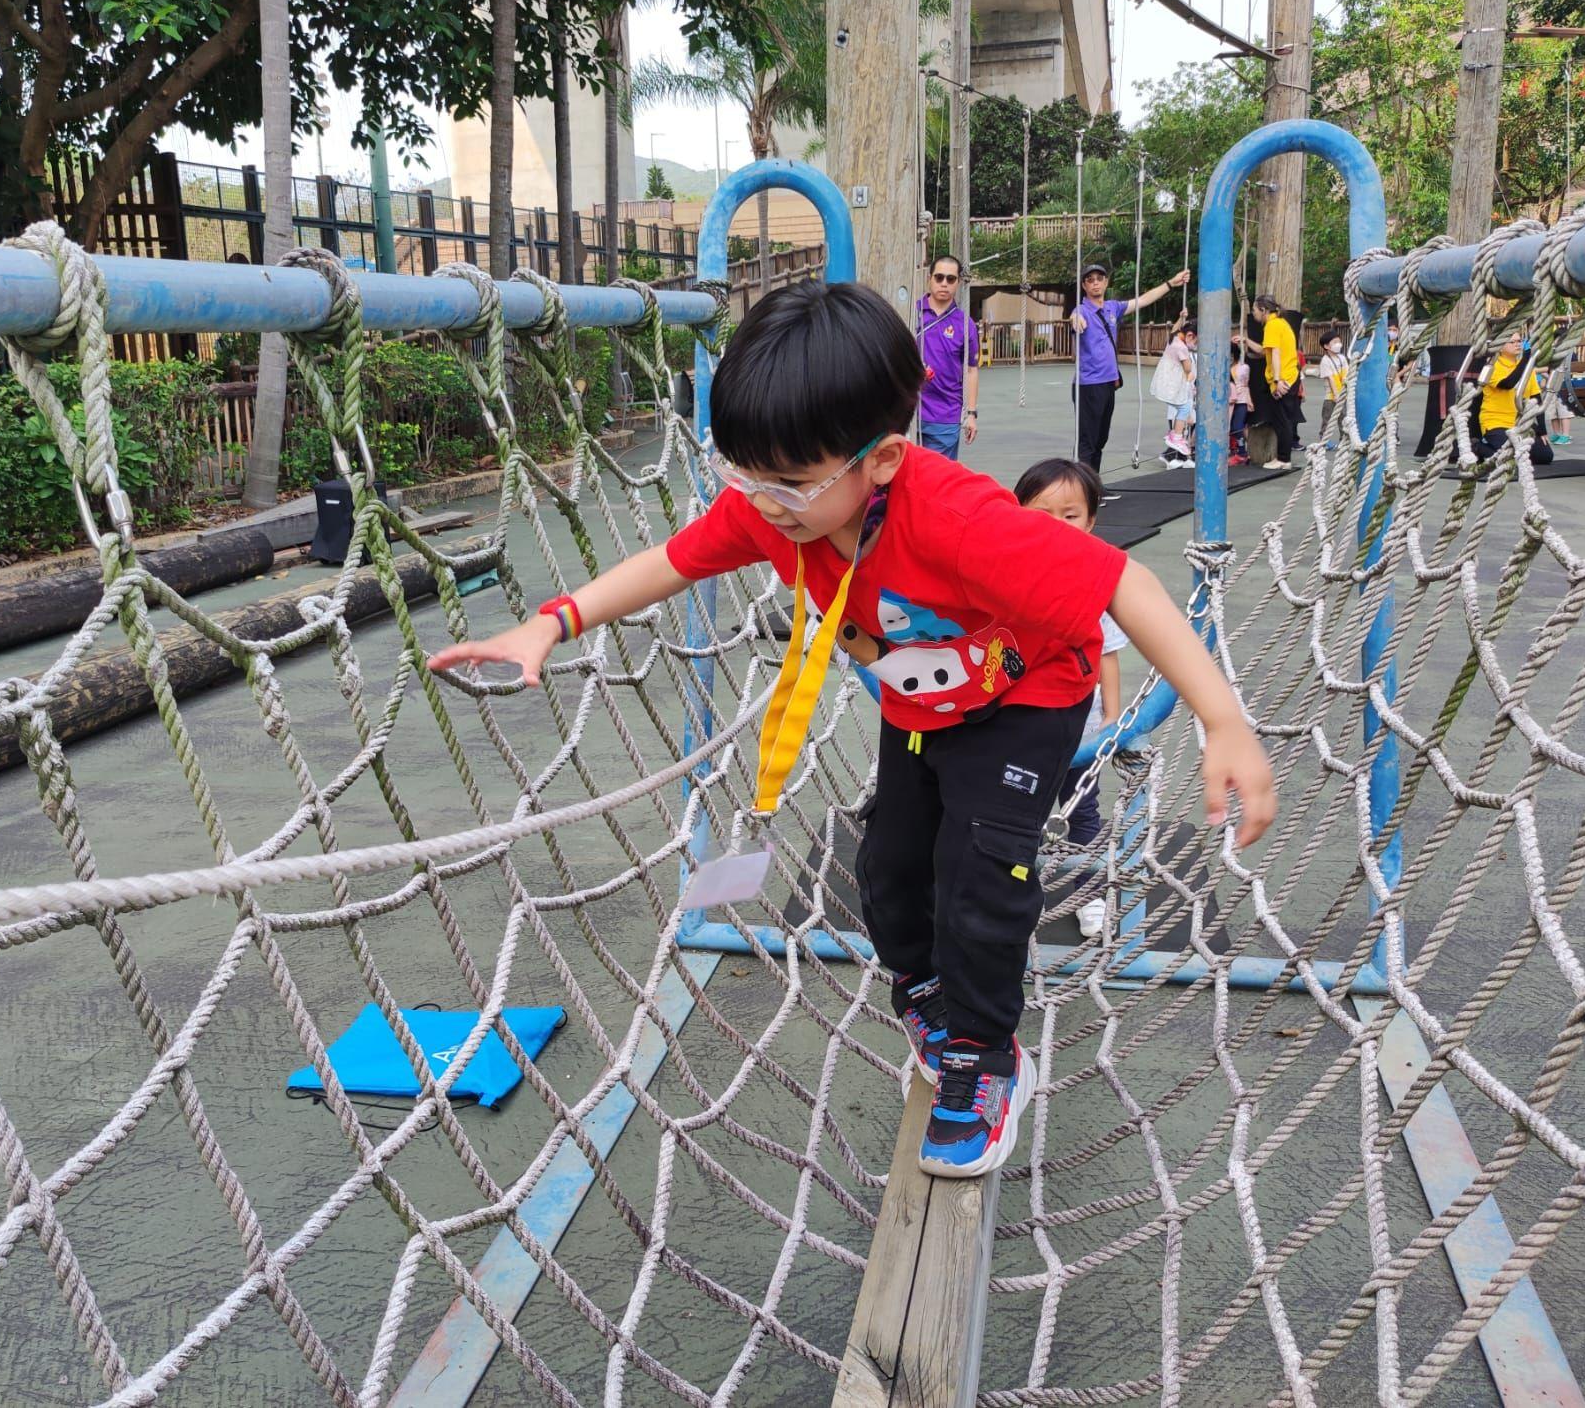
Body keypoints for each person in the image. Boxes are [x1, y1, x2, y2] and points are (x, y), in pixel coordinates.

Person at [428, 280, 1277, 1179]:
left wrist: (1223, 720)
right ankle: (925, 990)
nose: (761, 500)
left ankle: (987, 1057)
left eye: (787, 482)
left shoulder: (957, 520)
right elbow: (668, 564)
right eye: (742, 474)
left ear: (881, 459)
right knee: (889, 871)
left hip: (1026, 699)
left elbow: (1122, 586)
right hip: (922, 706)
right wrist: (551, 622)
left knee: (979, 877)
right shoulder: (777, 506)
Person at [1014, 458, 1129, 939]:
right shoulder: (1007, 573)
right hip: (1016, 729)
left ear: (1091, 521)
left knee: (1081, 812)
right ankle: (1012, 894)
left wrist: (1113, 715)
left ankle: (1090, 895)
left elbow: (1107, 657)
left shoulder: (1095, 577)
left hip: (1078, 732)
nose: (1057, 526)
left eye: (1070, 515)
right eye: (1042, 514)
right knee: (1013, 816)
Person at [1070, 261, 1193, 472]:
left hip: (1108, 382)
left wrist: (1170, 284)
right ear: (1084, 285)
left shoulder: (1112, 308)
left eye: (1099, 279)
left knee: (1100, 437)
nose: (1095, 284)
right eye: (1090, 280)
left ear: (1106, 282)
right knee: (1088, 440)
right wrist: (1075, 320)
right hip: (1089, 384)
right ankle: (1084, 489)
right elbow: (1075, 317)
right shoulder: (1082, 310)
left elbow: (1143, 300)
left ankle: (1094, 485)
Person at [914, 256, 978, 460]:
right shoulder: (909, 313)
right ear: (929, 278)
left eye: (950, 279)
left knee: (938, 483)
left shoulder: (965, 324)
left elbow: (971, 369)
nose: (944, 283)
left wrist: (971, 413)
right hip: (906, 412)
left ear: (958, 282)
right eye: (939, 277)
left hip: (945, 415)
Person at [1239, 295, 1302, 469]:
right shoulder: (1280, 323)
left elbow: (1274, 353)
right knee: (1281, 419)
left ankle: (1283, 459)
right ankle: (1283, 458)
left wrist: (1277, 380)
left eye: (1254, 310)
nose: (1253, 313)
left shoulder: (1273, 325)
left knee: (1283, 420)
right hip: (1288, 376)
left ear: (1263, 310)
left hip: (1284, 378)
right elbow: (1264, 351)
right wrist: (1245, 341)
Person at [1152, 320, 1199, 466]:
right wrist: (1189, 376)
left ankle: (1176, 438)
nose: (1196, 346)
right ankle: (1176, 437)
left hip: (1165, 383)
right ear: (1190, 335)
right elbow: (1188, 369)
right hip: (1172, 386)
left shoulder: (1173, 339)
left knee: (1184, 408)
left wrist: (1180, 318)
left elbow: (1174, 329)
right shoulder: (1182, 348)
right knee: (1184, 407)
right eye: (1197, 342)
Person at [1315, 333, 1350, 442]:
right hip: (1331, 397)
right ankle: (1324, 440)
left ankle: (1344, 440)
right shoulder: (1325, 360)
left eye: (1339, 342)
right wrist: (1335, 394)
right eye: (1335, 342)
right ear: (1326, 346)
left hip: (1343, 394)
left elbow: (1346, 374)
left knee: (1343, 418)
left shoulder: (1342, 358)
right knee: (1328, 419)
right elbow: (1330, 379)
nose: (1338, 344)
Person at [1229, 342, 1254, 465]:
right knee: (1233, 428)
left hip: (1241, 400)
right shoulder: (1223, 367)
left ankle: (1243, 452)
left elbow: (1246, 384)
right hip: (1228, 402)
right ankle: (1240, 451)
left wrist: (1249, 401)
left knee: (1237, 427)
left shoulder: (1243, 367)